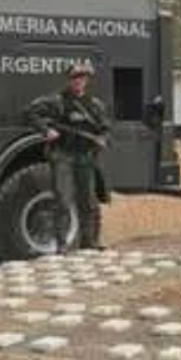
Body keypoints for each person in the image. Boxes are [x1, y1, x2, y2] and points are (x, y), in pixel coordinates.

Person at [26, 63, 111, 252]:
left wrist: (102, 139)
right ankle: (62, 244)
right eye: (75, 78)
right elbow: (31, 113)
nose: (78, 81)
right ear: (69, 80)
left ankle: (90, 242)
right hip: (63, 154)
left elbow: (105, 128)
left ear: (86, 80)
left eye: (82, 77)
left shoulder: (95, 105)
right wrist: (46, 130)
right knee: (63, 199)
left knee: (88, 200)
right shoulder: (57, 101)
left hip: (85, 156)